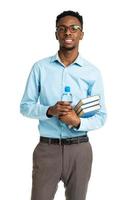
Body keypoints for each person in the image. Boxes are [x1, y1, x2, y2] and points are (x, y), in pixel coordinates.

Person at [20, 10, 107, 200]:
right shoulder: (40, 68)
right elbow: (25, 106)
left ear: (81, 34)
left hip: (80, 150)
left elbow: (101, 116)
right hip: (47, 149)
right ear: (56, 34)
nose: (68, 32)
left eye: (74, 28)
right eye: (62, 28)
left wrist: (77, 122)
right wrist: (49, 110)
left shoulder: (92, 72)